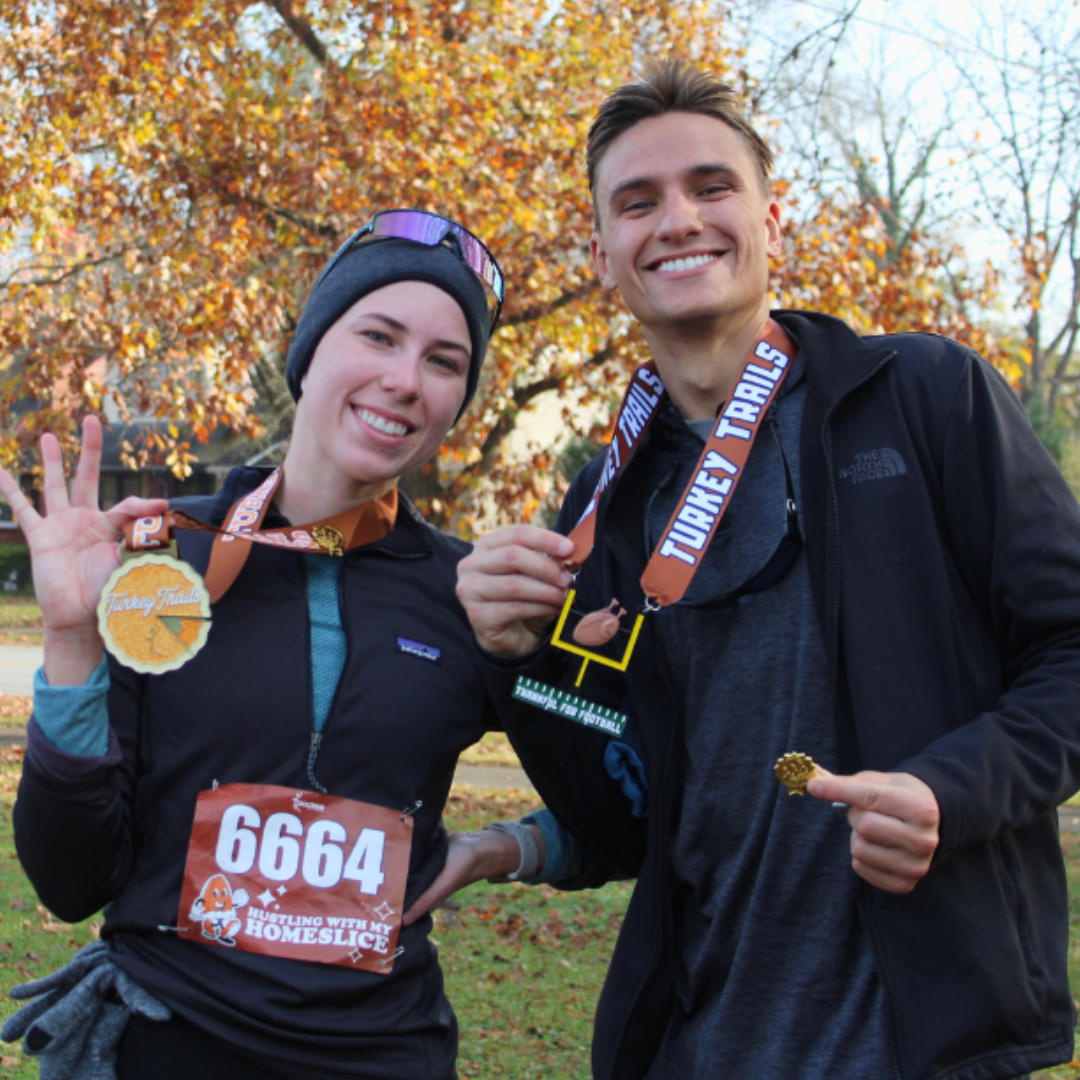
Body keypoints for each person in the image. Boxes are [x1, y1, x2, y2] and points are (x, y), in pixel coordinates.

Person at [447, 62, 1080, 1080]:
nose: (679, 220)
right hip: (700, 1042)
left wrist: (950, 792)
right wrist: (517, 660)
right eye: (637, 202)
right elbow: (621, 820)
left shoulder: (925, 398)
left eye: (712, 186)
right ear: (604, 256)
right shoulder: (603, 507)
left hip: (916, 1047)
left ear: (773, 224)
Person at [0, 210, 520, 1080]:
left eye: (444, 361)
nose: (404, 380)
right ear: (308, 352)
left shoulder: (470, 592)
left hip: (384, 1055)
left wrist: (504, 847)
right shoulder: (161, 559)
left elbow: (624, 801)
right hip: (168, 1045)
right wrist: (72, 639)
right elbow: (70, 881)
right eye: (378, 336)